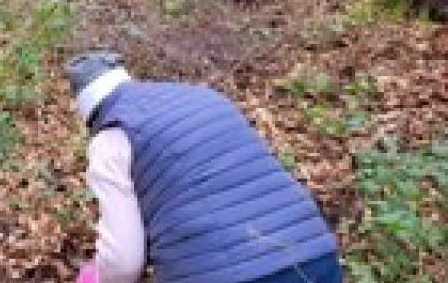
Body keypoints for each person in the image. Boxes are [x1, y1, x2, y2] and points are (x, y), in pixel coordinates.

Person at [65, 51, 341, 283]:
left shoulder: (111, 137)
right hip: (313, 255)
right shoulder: (203, 96)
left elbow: (123, 262)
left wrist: (93, 276)